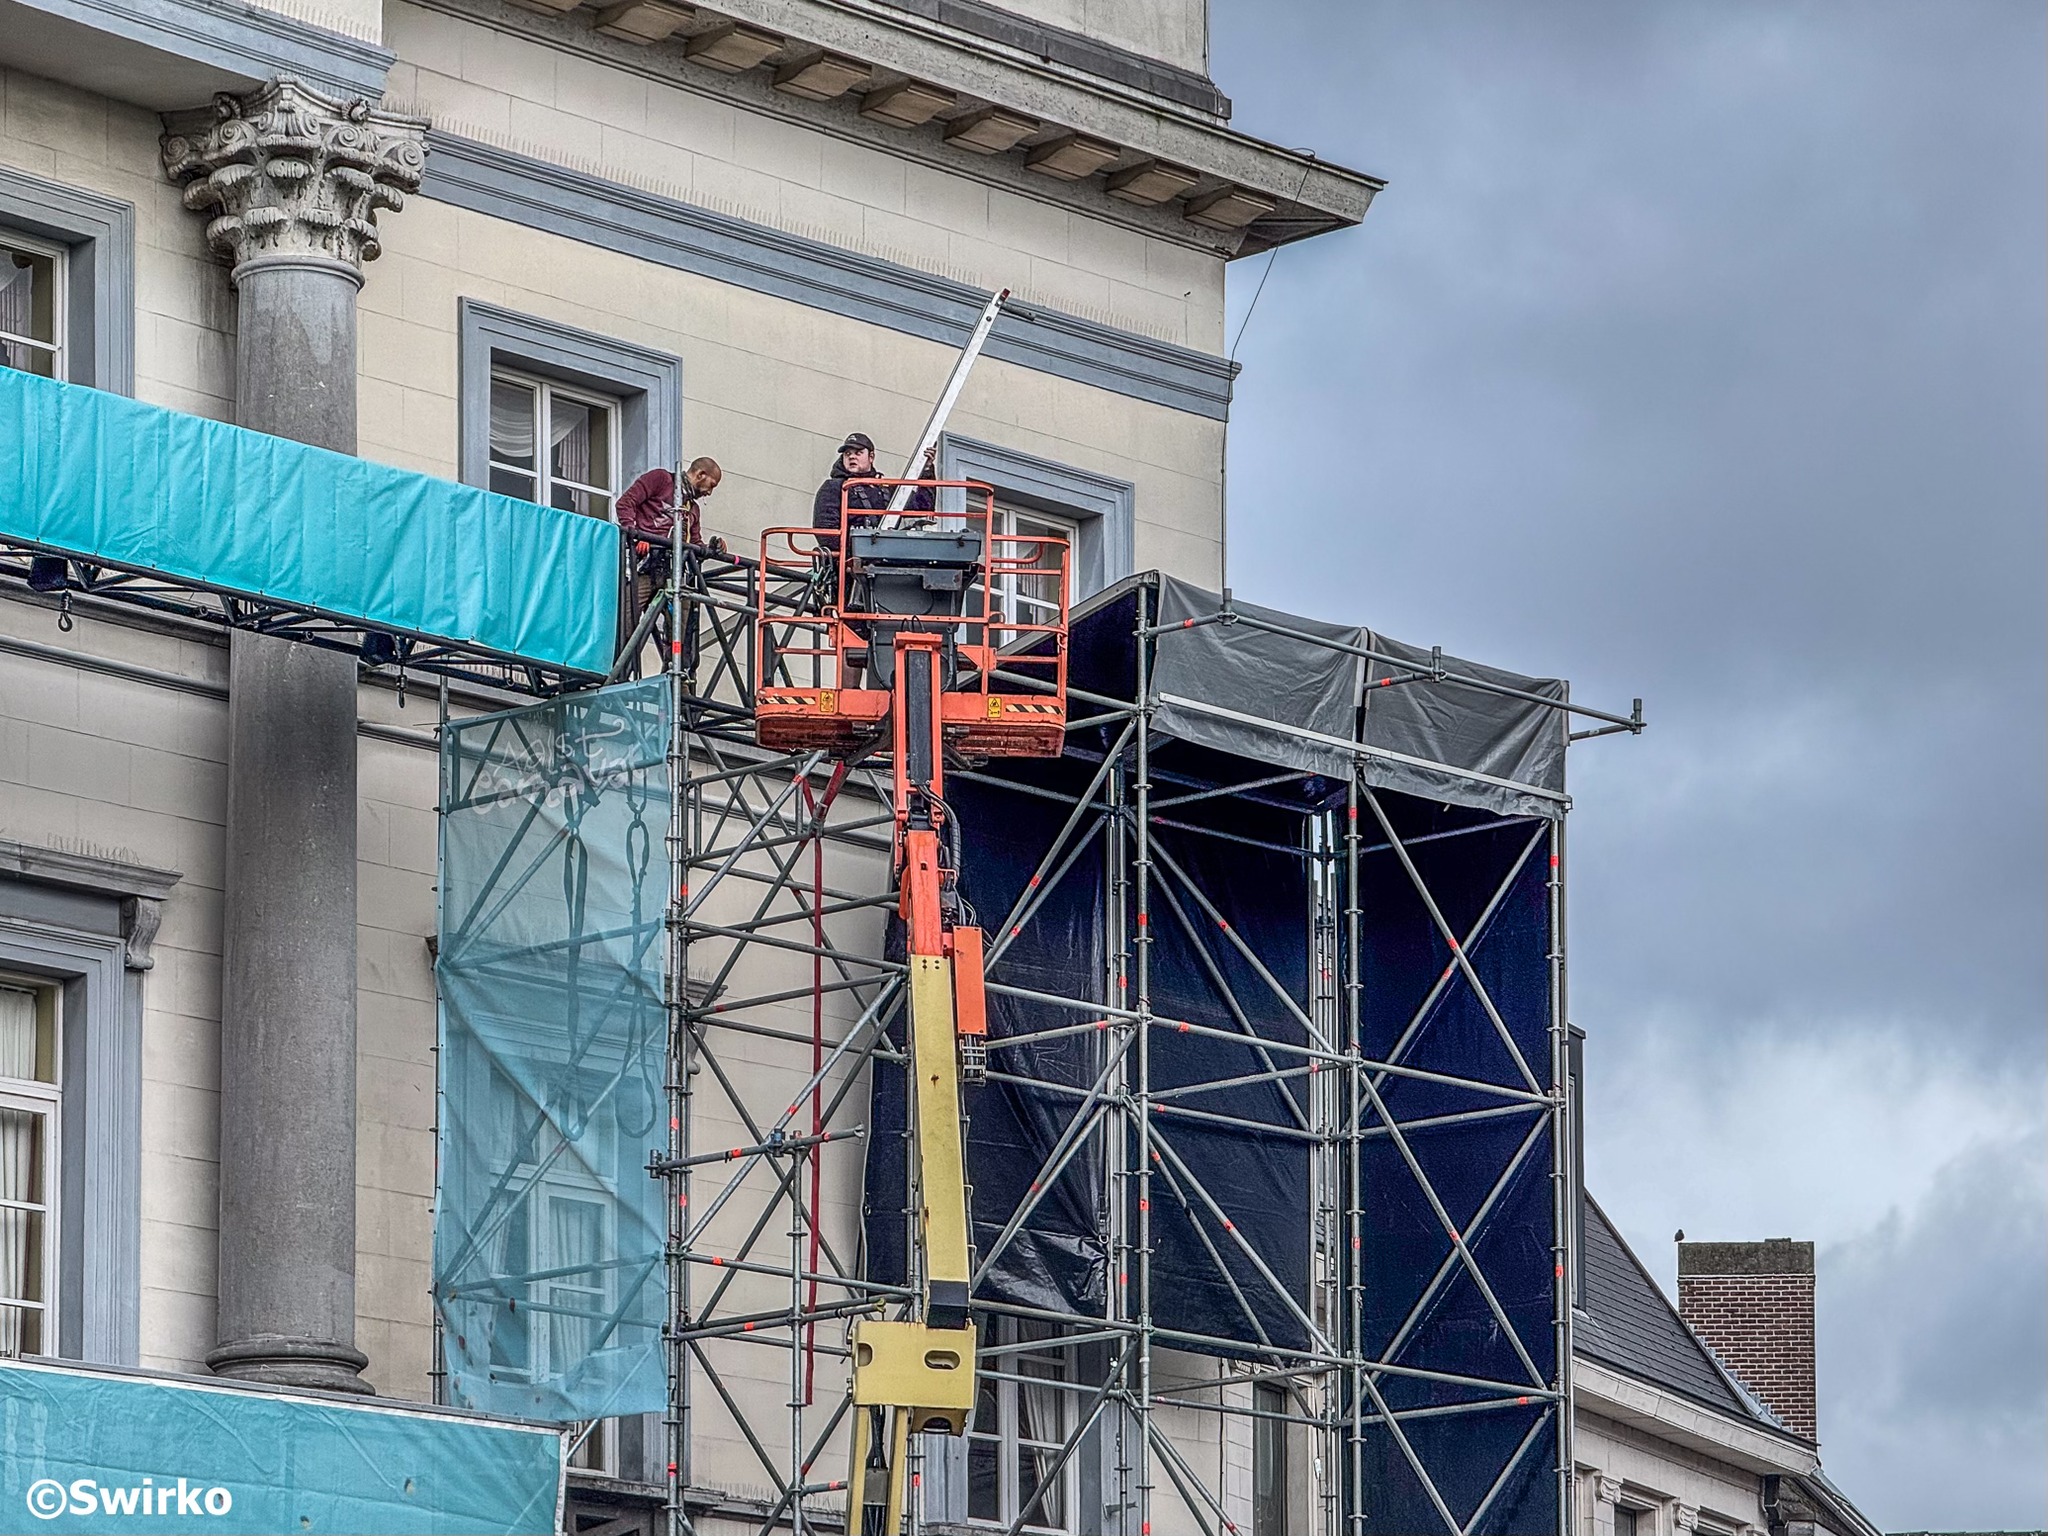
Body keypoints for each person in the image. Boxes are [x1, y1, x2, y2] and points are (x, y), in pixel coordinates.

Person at [617, 456, 724, 673]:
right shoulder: (661, 480)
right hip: (644, 568)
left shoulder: (692, 510)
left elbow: (694, 545)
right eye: (711, 485)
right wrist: (636, 536)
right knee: (626, 623)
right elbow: (625, 503)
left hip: (674, 574)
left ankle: (675, 677)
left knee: (682, 631)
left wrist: (712, 548)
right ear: (700, 475)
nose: (709, 492)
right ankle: (616, 671)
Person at [810, 433, 936, 548]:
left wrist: (927, 469)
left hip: (886, 554)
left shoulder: (885, 487)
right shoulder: (834, 487)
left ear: (871, 457)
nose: (852, 457)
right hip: (853, 556)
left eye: (858, 453)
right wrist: (853, 551)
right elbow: (825, 529)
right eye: (847, 454)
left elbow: (922, 507)